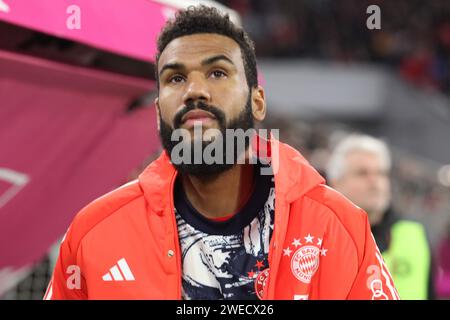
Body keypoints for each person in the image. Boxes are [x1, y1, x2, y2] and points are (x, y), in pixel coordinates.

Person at [44, 6, 398, 300]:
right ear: (157, 111)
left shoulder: (337, 228)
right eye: (175, 79)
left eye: (217, 72)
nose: (195, 91)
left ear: (257, 102)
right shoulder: (94, 235)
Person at [327, 134, 434, 300]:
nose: (375, 181)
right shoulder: (320, 236)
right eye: (362, 173)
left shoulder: (415, 232)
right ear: (335, 182)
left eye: (381, 173)